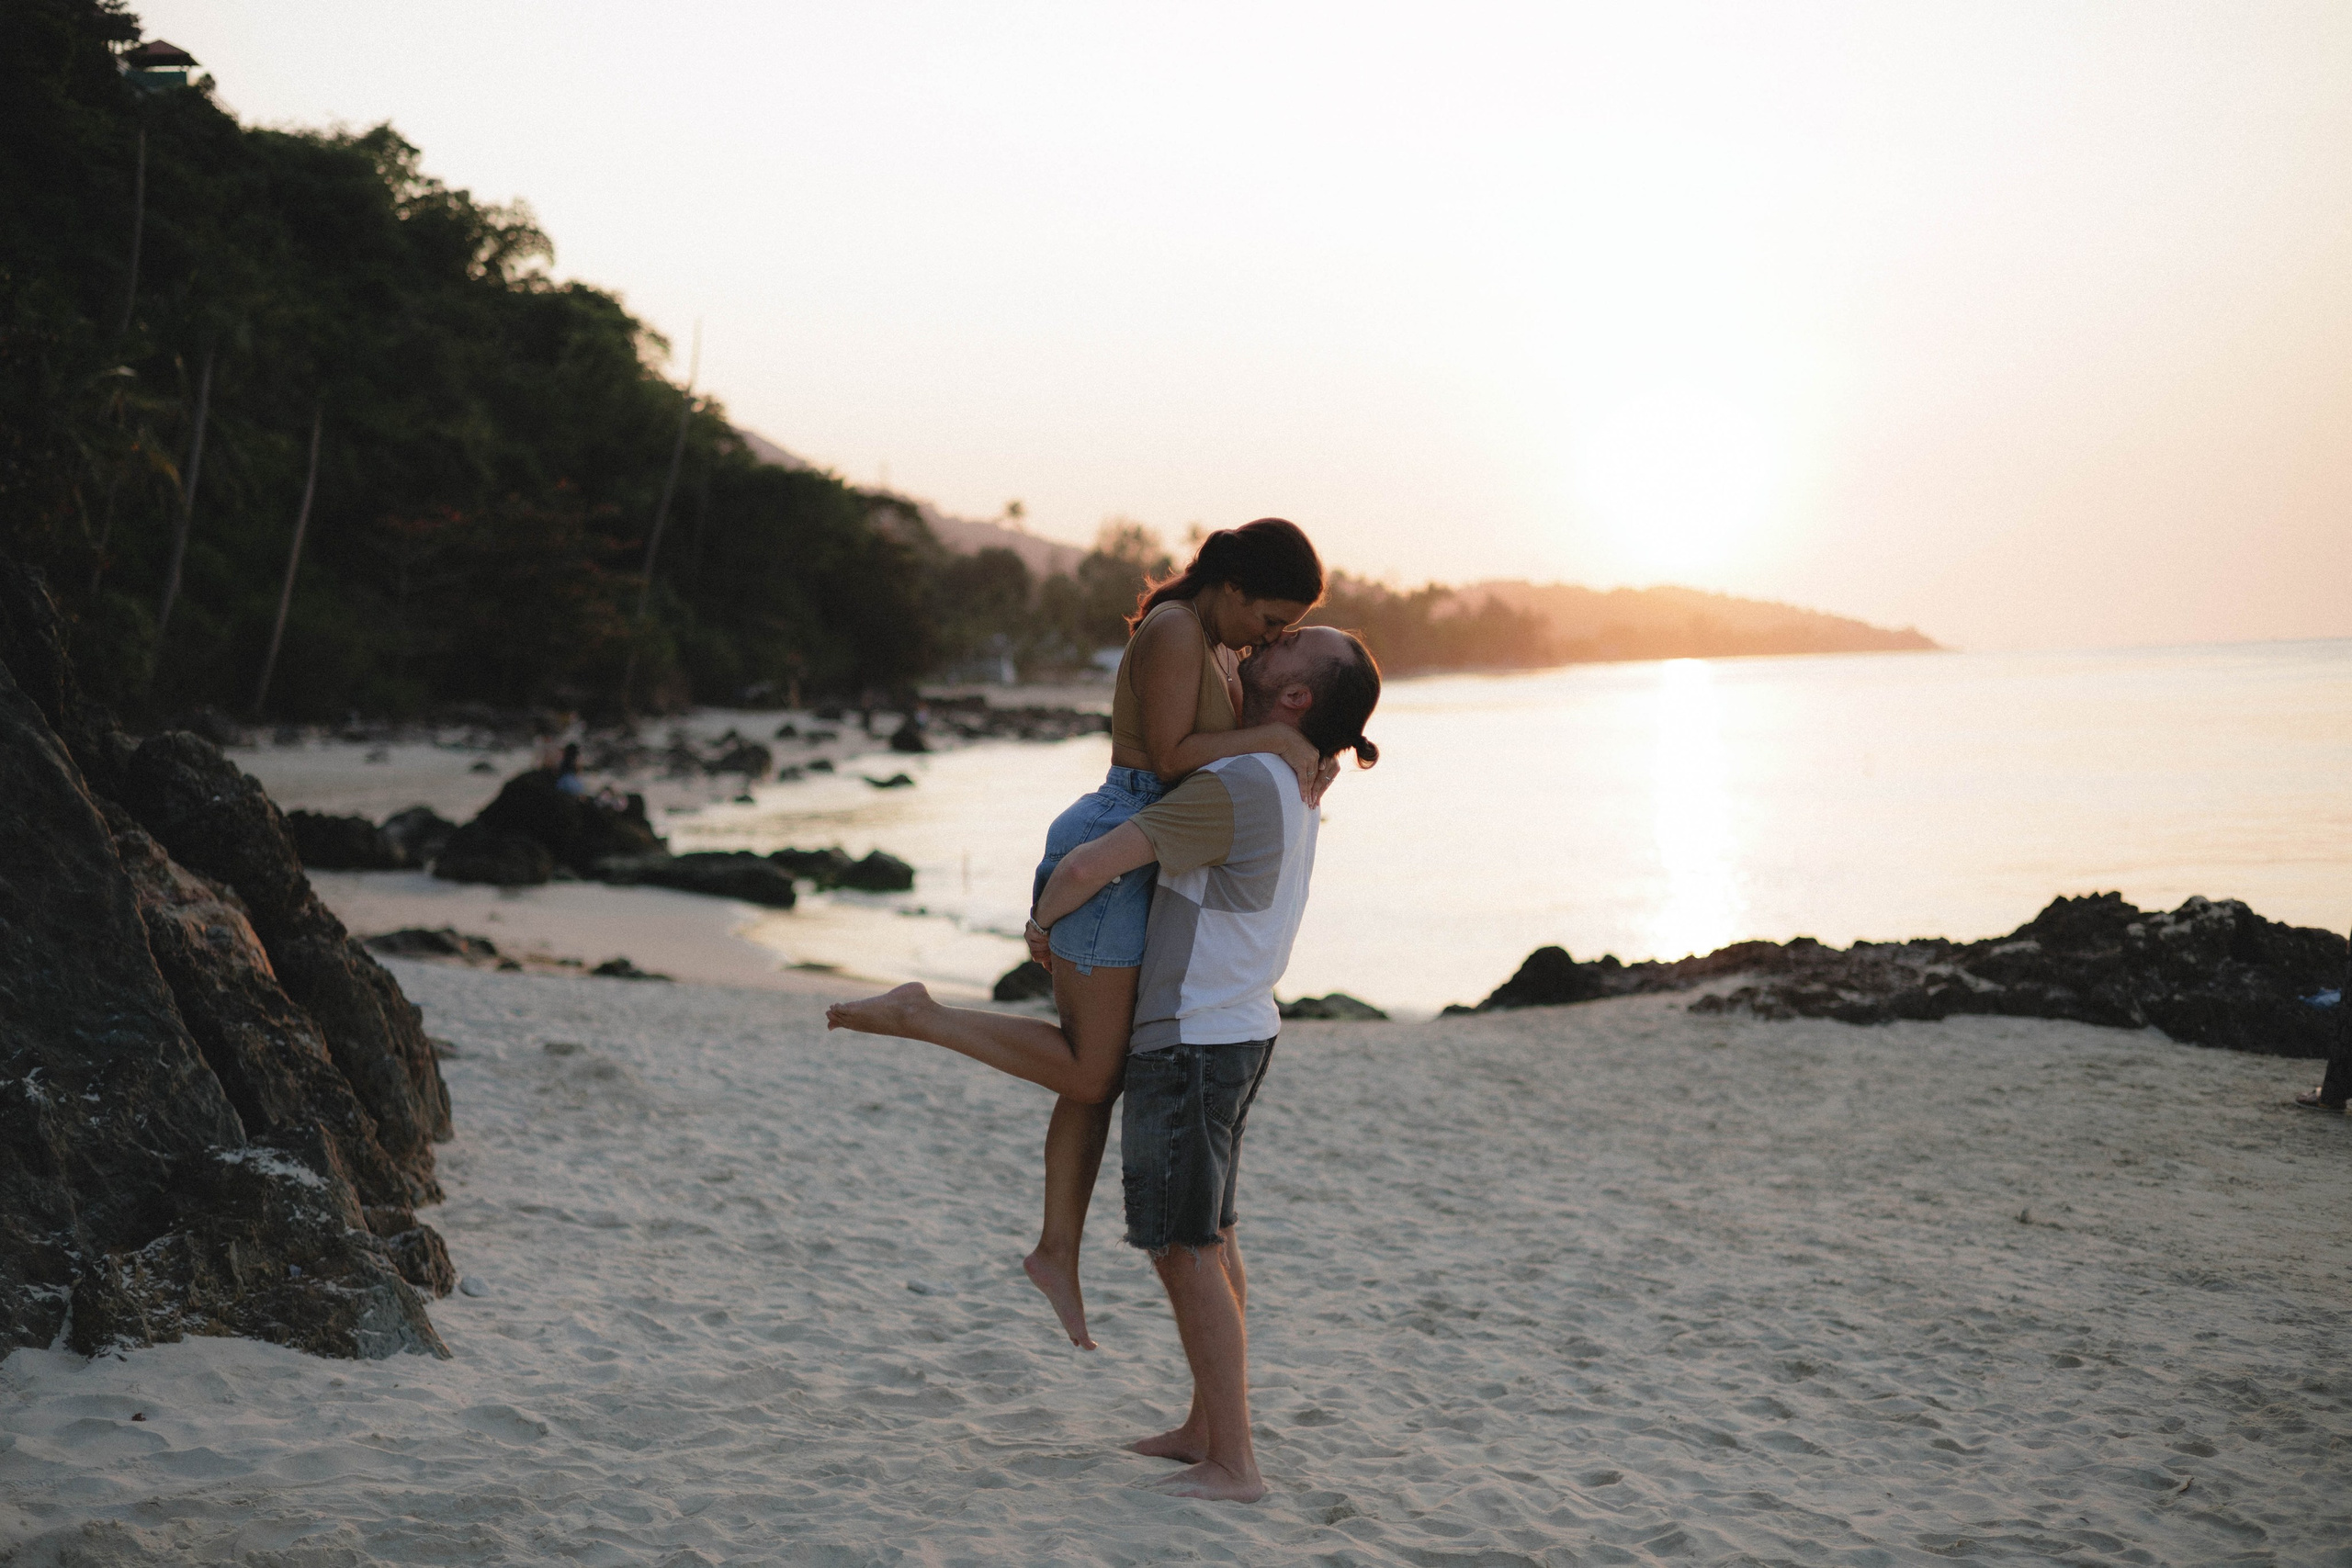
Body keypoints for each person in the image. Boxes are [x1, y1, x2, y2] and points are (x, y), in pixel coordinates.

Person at [830, 626, 1382, 1501]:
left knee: (1182, 1245)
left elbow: (1097, 859)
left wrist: (1044, 925)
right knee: (1214, 1234)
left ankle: (1234, 1463)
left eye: (1278, 649)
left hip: (1192, 1038)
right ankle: (1207, 1427)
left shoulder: (1242, 783)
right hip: (1239, 1029)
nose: (1255, 647)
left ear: (1297, 699)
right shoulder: (1290, 776)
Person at [835, 520, 1332, 1350]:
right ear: (1234, 585)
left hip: (1145, 850)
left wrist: (1313, 747)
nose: (1273, 637)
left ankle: (1056, 1252)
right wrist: (1278, 739)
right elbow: (1175, 758)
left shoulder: (1218, 643)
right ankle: (921, 1013)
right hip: (1118, 842)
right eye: (1272, 617)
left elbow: (1257, 728)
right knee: (1092, 1067)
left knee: (1091, 1068)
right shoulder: (1177, 628)